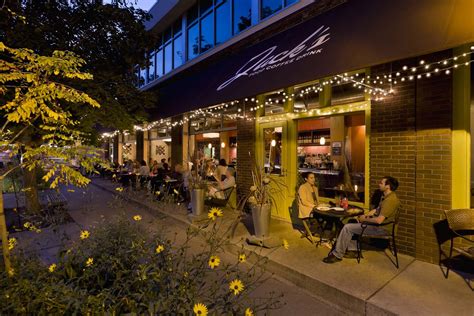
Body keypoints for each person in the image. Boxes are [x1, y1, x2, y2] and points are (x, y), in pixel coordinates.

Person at [323, 176, 400, 264]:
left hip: (382, 229)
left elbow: (379, 220)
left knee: (348, 228)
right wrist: (364, 215)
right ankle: (353, 251)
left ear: (388, 186)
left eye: (381, 183)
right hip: (378, 226)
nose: (379, 184)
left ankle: (337, 255)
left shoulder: (390, 201)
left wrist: (364, 220)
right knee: (352, 221)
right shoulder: (385, 197)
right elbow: (376, 210)